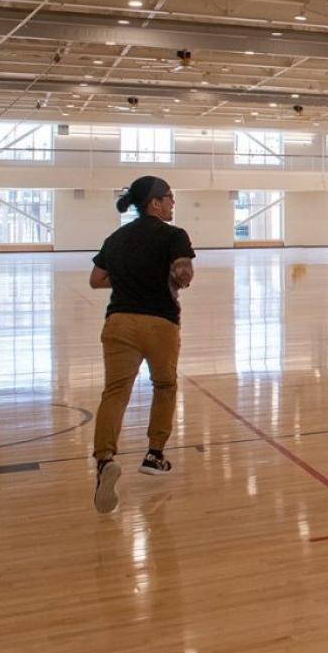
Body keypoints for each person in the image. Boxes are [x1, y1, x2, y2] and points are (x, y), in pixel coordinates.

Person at [89, 176, 196, 514]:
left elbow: (96, 280)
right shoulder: (173, 235)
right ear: (154, 203)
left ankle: (105, 461)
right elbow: (184, 275)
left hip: (118, 322)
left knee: (115, 392)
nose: (172, 204)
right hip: (159, 324)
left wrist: (129, 275)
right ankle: (154, 455)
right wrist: (172, 273)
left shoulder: (116, 238)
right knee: (164, 385)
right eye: (169, 198)